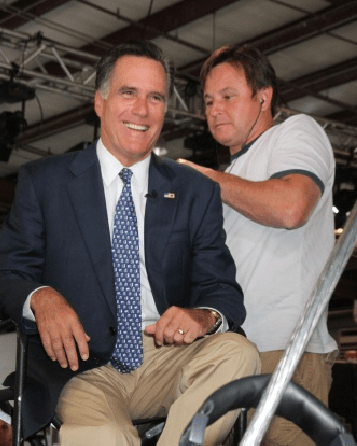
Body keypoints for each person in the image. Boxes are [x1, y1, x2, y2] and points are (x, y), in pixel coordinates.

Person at [0, 40, 260, 446]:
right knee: (109, 437)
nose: (142, 110)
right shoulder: (45, 182)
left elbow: (223, 291)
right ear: (100, 101)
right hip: (79, 369)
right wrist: (42, 297)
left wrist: (204, 316)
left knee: (240, 353)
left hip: (168, 358)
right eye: (129, 93)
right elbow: (0, 280)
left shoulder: (196, 191)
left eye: (155, 97)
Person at [180, 44, 338, 446]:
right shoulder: (230, 176)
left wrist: (205, 180)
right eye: (209, 100)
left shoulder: (295, 132)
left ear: (263, 97)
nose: (215, 109)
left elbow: (291, 207)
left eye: (229, 96)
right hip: (228, 354)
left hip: (285, 350)